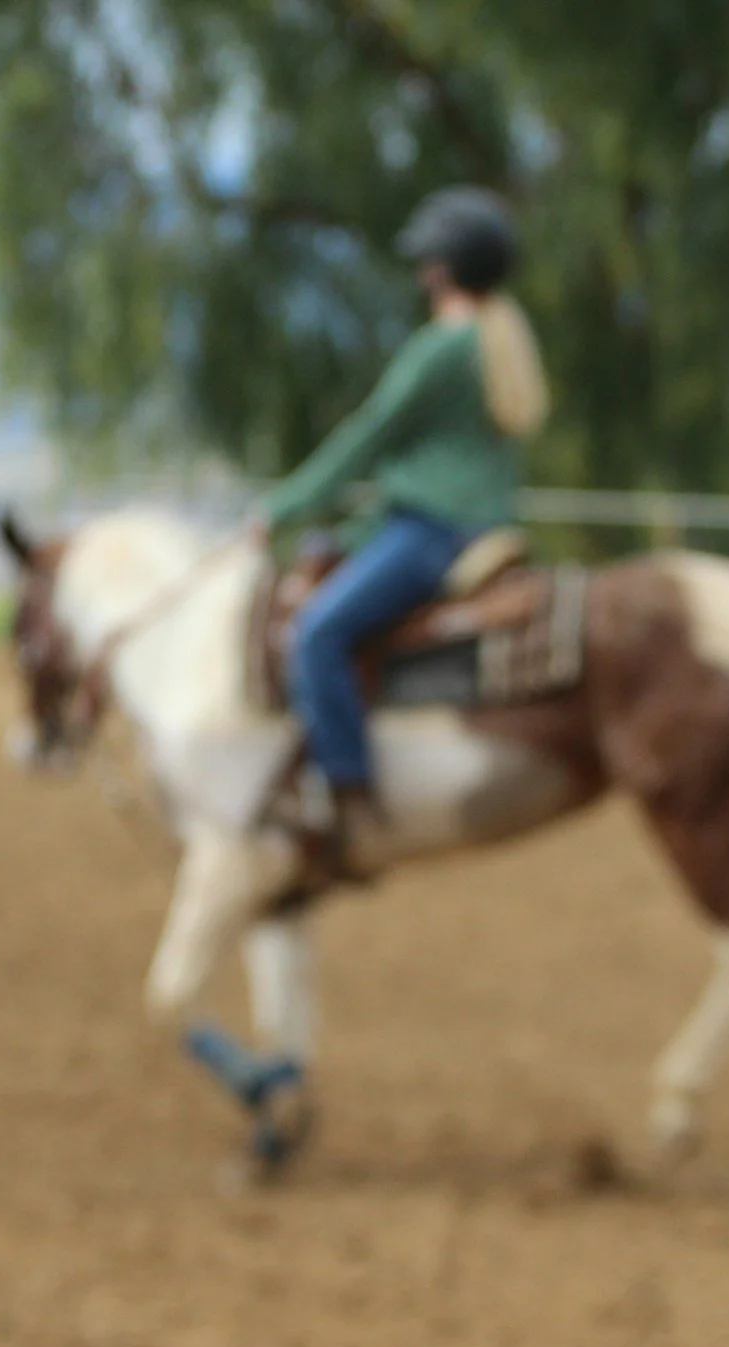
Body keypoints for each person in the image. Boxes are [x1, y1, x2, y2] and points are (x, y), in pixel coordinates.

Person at [255, 186, 550, 877]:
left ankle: (347, 794)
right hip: (467, 519)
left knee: (318, 631)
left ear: (443, 269)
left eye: (427, 262)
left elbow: (368, 436)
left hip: (433, 527)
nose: (421, 274)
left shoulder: (442, 348)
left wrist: (284, 505)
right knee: (327, 567)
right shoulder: (501, 340)